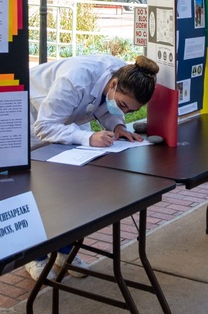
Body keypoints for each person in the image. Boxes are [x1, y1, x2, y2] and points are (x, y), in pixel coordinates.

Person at [25, 54, 159, 281]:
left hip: (69, 121)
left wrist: (117, 126)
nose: (125, 112)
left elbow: (106, 105)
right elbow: (45, 126)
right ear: (114, 84)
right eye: (123, 106)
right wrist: (87, 138)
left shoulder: (121, 75)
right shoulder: (76, 79)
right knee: (37, 191)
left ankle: (64, 252)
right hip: (32, 120)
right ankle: (34, 257)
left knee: (73, 191)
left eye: (131, 111)